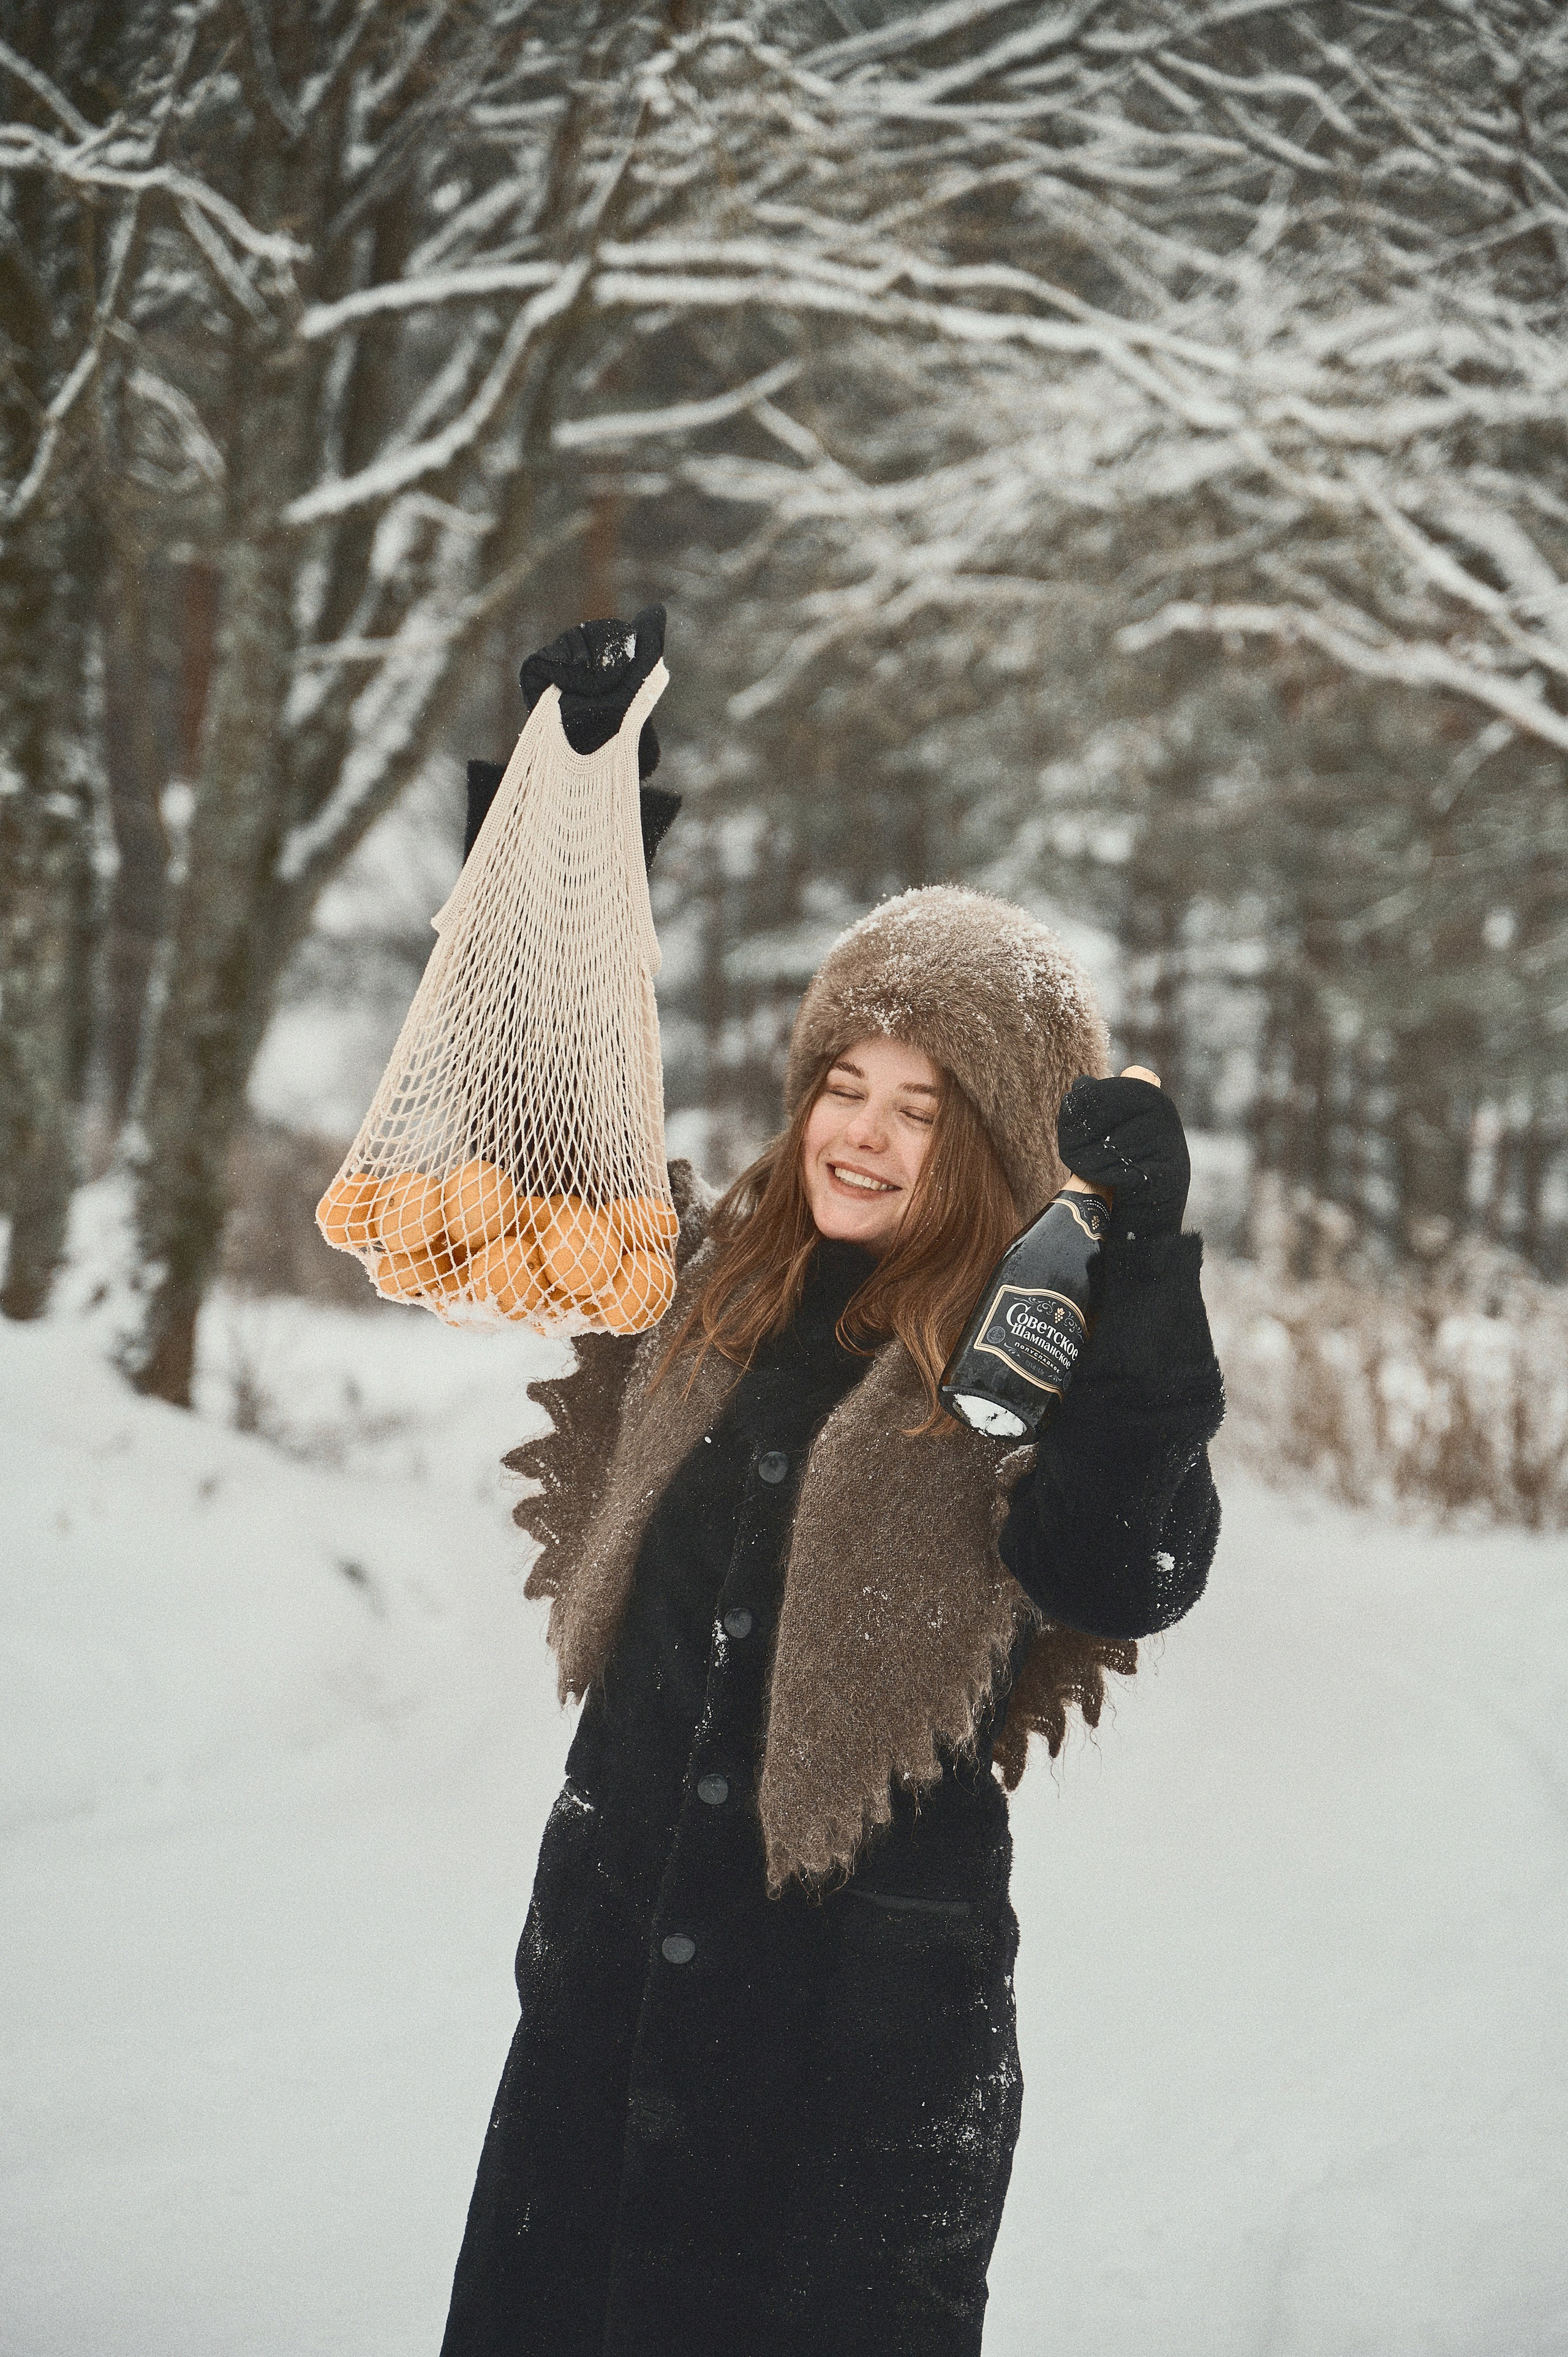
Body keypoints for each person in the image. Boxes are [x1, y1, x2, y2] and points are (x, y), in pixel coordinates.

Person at [440, 627, 1225, 2357]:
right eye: (839, 1089)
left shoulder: (1031, 1365)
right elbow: (521, 1156)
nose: (860, 1135)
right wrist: (570, 811)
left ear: (1005, 1136)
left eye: (922, 1110)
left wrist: (1148, 1267)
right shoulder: (706, 1292)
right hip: (611, 1979)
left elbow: (1122, 1563)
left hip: (856, 2053)